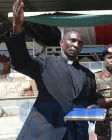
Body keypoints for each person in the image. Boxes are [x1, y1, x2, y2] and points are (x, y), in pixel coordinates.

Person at [3, 0, 98, 139]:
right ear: (61, 42)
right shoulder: (46, 62)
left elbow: (91, 101)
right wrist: (17, 28)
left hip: (77, 134)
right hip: (45, 133)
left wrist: (93, 109)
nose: (76, 44)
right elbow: (21, 62)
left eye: (80, 43)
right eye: (72, 40)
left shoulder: (89, 75)